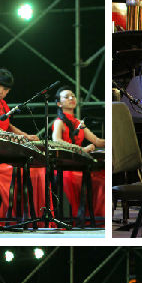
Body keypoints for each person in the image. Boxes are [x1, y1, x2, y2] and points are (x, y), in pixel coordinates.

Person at [0, 69, 51, 221]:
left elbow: (8, 126)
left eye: (5, 89)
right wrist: (9, 135)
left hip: (3, 152)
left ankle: (31, 217)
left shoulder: (3, 104)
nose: (0, 92)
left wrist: (26, 136)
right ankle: (7, 217)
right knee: (17, 170)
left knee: (37, 169)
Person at [52, 88, 106, 220]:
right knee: (91, 180)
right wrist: (82, 150)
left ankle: (97, 218)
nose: (71, 98)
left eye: (73, 96)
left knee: (103, 177)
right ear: (59, 103)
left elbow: (97, 141)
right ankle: (83, 218)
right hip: (66, 166)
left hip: (80, 165)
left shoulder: (79, 123)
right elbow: (57, 141)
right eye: (67, 97)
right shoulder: (59, 122)